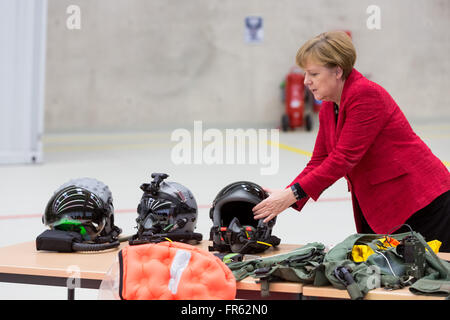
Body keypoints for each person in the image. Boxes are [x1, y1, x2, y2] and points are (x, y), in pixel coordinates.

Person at [252, 31, 450, 252]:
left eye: (313, 74)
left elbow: (343, 159)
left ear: (338, 71)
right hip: (384, 204)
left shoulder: (366, 95)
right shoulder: (329, 105)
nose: (306, 81)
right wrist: (285, 194)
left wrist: (291, 195)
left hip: (420, 201)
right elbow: (319, 160)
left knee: (431, 278)